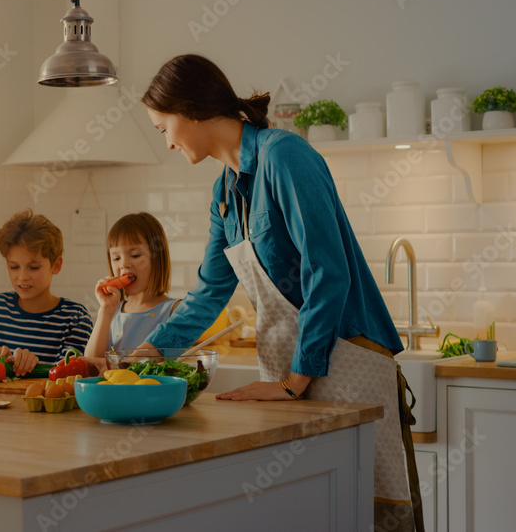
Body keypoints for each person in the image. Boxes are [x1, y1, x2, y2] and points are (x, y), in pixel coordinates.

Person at [139, 54, 417, 531]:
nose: (165, 142)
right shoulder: (224, 194)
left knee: (367, 512)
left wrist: (295, 380)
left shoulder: (283, 155)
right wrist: (152, 350)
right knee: (307, 510)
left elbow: (327, 274)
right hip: (286, 380)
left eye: (163, 127)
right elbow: (209, 293)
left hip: (342, 363)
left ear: (190, 110)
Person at [0, 209, 93, 377]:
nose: (22, 277)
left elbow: (72, 374)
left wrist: (31, 367)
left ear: (56, 265)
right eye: (14, 267)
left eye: (34, 267)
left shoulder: (75, 318)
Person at [83, 212, 180, 358]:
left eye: (135, 255)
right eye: (116, 258)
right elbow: (92, 362)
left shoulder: (174, 311)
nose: (123, 265)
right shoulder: (113, 312)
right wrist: (105, 311)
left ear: (156, 258)